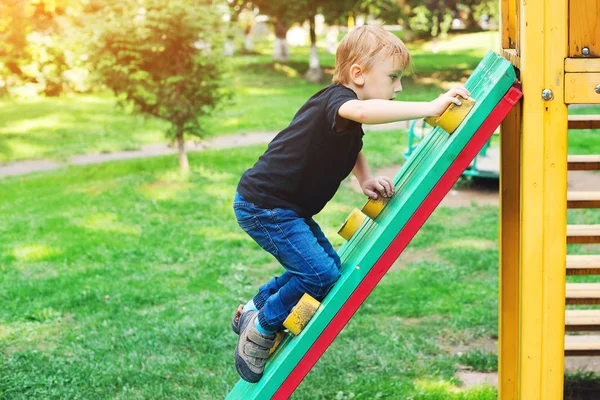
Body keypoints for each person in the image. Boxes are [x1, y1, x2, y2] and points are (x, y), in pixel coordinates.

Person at [231, 25, 470, 383]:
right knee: (319, 274)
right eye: (393, 77)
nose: (399, 87)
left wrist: (365, 178)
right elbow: (361, 112)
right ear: (358, 74)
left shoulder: (345, 115)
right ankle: (262, 327)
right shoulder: (338, 101)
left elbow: (353, 143)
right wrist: (430, 106)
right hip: (265, 206)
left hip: (285, 208)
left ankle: (252, 308)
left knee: (323, 265)